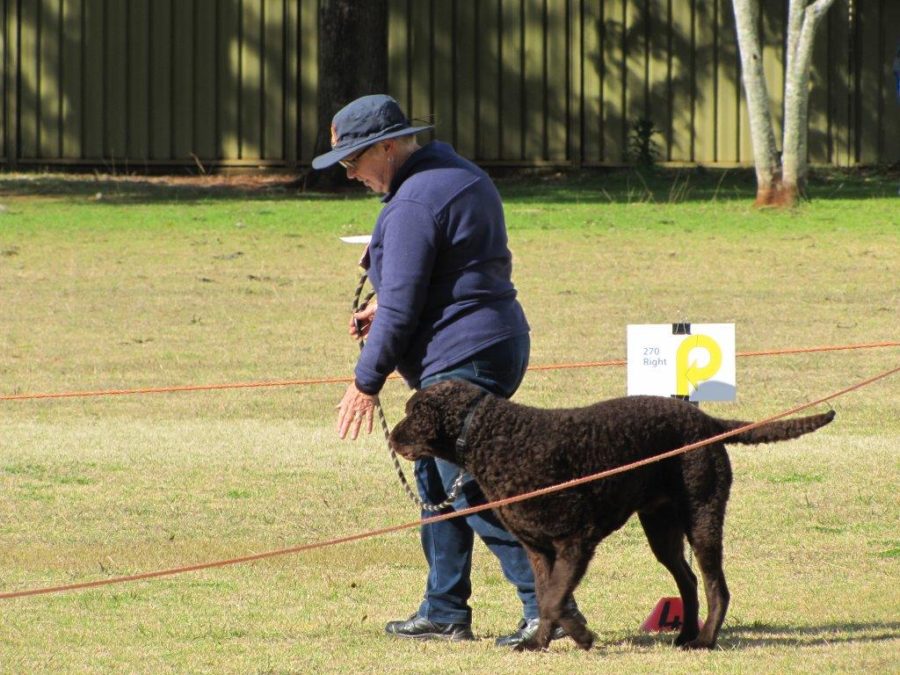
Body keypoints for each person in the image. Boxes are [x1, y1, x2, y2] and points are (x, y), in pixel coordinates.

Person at [312, 94, 582, 647]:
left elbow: (402, 309)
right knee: (436, 478)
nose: (351, 174)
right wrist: (384, 304)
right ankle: (444, 610)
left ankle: (548, 607)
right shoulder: (456, 173)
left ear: (388, 147)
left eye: (354, 160)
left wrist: (365, 382)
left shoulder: (413, 201)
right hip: (494, 341)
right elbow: (448, 271)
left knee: (470, 489)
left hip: (464, 355)